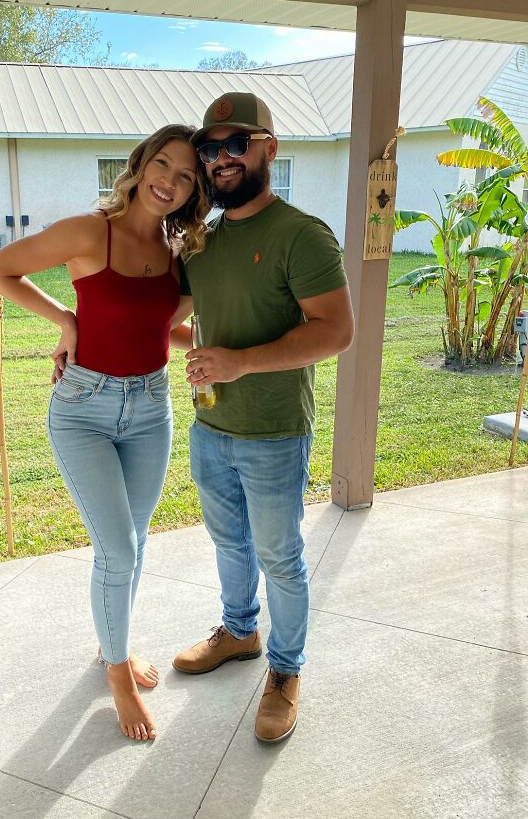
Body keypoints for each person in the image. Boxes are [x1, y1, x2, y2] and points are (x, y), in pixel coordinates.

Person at [0, 124, 210, 742]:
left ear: (193, 189)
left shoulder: (175, 250)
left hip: (151, 408)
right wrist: (67, 321)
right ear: (141, 165)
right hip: (83, 409)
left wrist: (219, 352)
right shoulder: (89, 232)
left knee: (131, 539)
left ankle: (117, 644)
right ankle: (117, 676)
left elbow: (155, 329)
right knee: (120, 549)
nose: (171, 181)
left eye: (186, 175)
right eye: (164, 164)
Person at [173, 92, 355, 743]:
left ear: (268, 148)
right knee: (229, 545)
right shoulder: (199, 242)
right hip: (210, 429)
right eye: (209, 146)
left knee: (280, 556)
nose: (220, 157)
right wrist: (82, 333)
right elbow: (173, 324)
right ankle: (240, 630)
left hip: (275, 432)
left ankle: (285, 670)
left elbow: (336, 330)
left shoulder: (301, 235)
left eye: (235, 143)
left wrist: (240, 363)